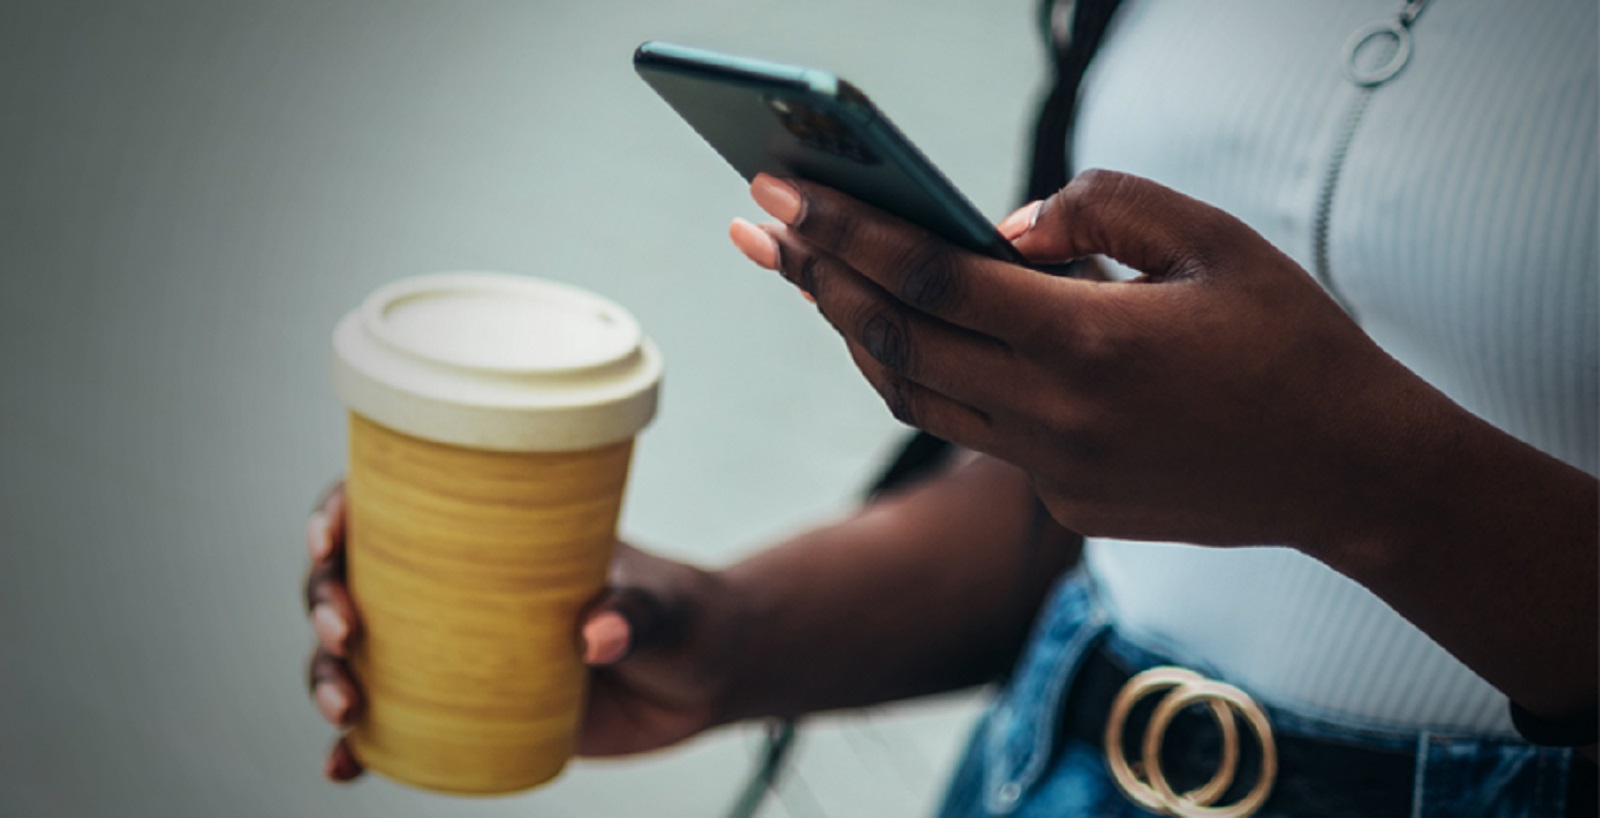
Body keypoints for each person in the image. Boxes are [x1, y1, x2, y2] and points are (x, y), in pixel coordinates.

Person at [305, 0, 1597, 813]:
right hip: (1052, 774)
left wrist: (1363, 477)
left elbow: (1273, 459)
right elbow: (1115, 489)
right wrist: (728, 634)